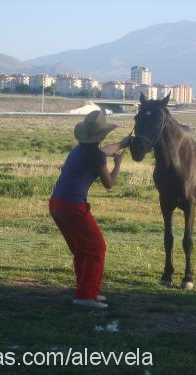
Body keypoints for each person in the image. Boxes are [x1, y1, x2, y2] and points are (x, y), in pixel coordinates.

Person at [49, 110, 130, 309]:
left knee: (81, 250)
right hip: (73, 206)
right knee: (96, 248)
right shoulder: (96, 156)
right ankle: (86, 296)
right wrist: (118, 164)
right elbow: (109, 183)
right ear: (101, 134)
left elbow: (105, 151)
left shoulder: (80, 150)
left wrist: (122, 143)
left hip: (57, 203)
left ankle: (87, 290)